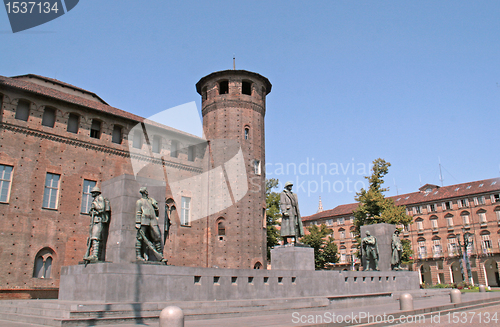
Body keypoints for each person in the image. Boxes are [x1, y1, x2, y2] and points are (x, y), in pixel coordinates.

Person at [135, 187, 165, 262]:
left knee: (157, 236)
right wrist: (138, 222)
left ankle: (160, 255)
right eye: (144, 192)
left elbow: (156, 210)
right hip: (144, 220)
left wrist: (155, 205)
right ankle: (138, 255)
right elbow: (138, 212)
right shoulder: (139, 202)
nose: (146, 193)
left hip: (152, 220)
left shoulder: (151, 200)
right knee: (140, 238)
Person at [83, 186, 111, 262]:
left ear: (96, 192)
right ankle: (93, 254)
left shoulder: (100, 198)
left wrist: (95, 204)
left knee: (96, 237)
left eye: (93, 192)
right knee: (92, 237)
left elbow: (101, 208)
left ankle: (95, 256)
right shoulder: (96, 199)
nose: (91, 194)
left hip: (99, 220)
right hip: (95, 221)